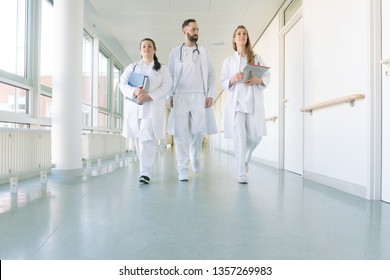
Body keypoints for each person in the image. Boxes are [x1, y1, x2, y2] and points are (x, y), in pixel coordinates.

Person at [220, 25, 270, 184]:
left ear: (247, 38)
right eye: (238, 34)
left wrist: (258, 80)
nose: (242, 36)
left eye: (244, 34)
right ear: (234, 39)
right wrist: (232, 79)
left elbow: (267, 75)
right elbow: (223, 82)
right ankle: (242, 173)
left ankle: (245, 159)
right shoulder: (228, 61)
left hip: (253, 103)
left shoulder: (257, 58)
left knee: (256, 137)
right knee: (240, 138)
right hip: (237, 106)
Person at [168, 19, 217, 181]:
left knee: (197, 130)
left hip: (198, 95)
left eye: (198, 29)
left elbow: (211, 74)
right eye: (193, 29)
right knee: (180, 133)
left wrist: (210, 94)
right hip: (180, 95)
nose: (196, 32)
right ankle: (183, 168)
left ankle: (195, 154)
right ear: (184, 31)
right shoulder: (175, 52)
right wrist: (170, 95)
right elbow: (170, 76)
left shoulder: (203, 51)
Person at [119, 38, 172, 184]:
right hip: (135, 106)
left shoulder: (162, 69)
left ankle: (145, 172)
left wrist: (150, 96)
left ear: (154, 50)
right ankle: (144, 168)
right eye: (143, 46)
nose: (146, 48)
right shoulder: (132, 67)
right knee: (137, 138)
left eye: (149, 46)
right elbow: (122, 84)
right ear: (140, 50)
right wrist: (135, 91)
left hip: (151, 107)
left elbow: (167, 86)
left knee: (147, 138)